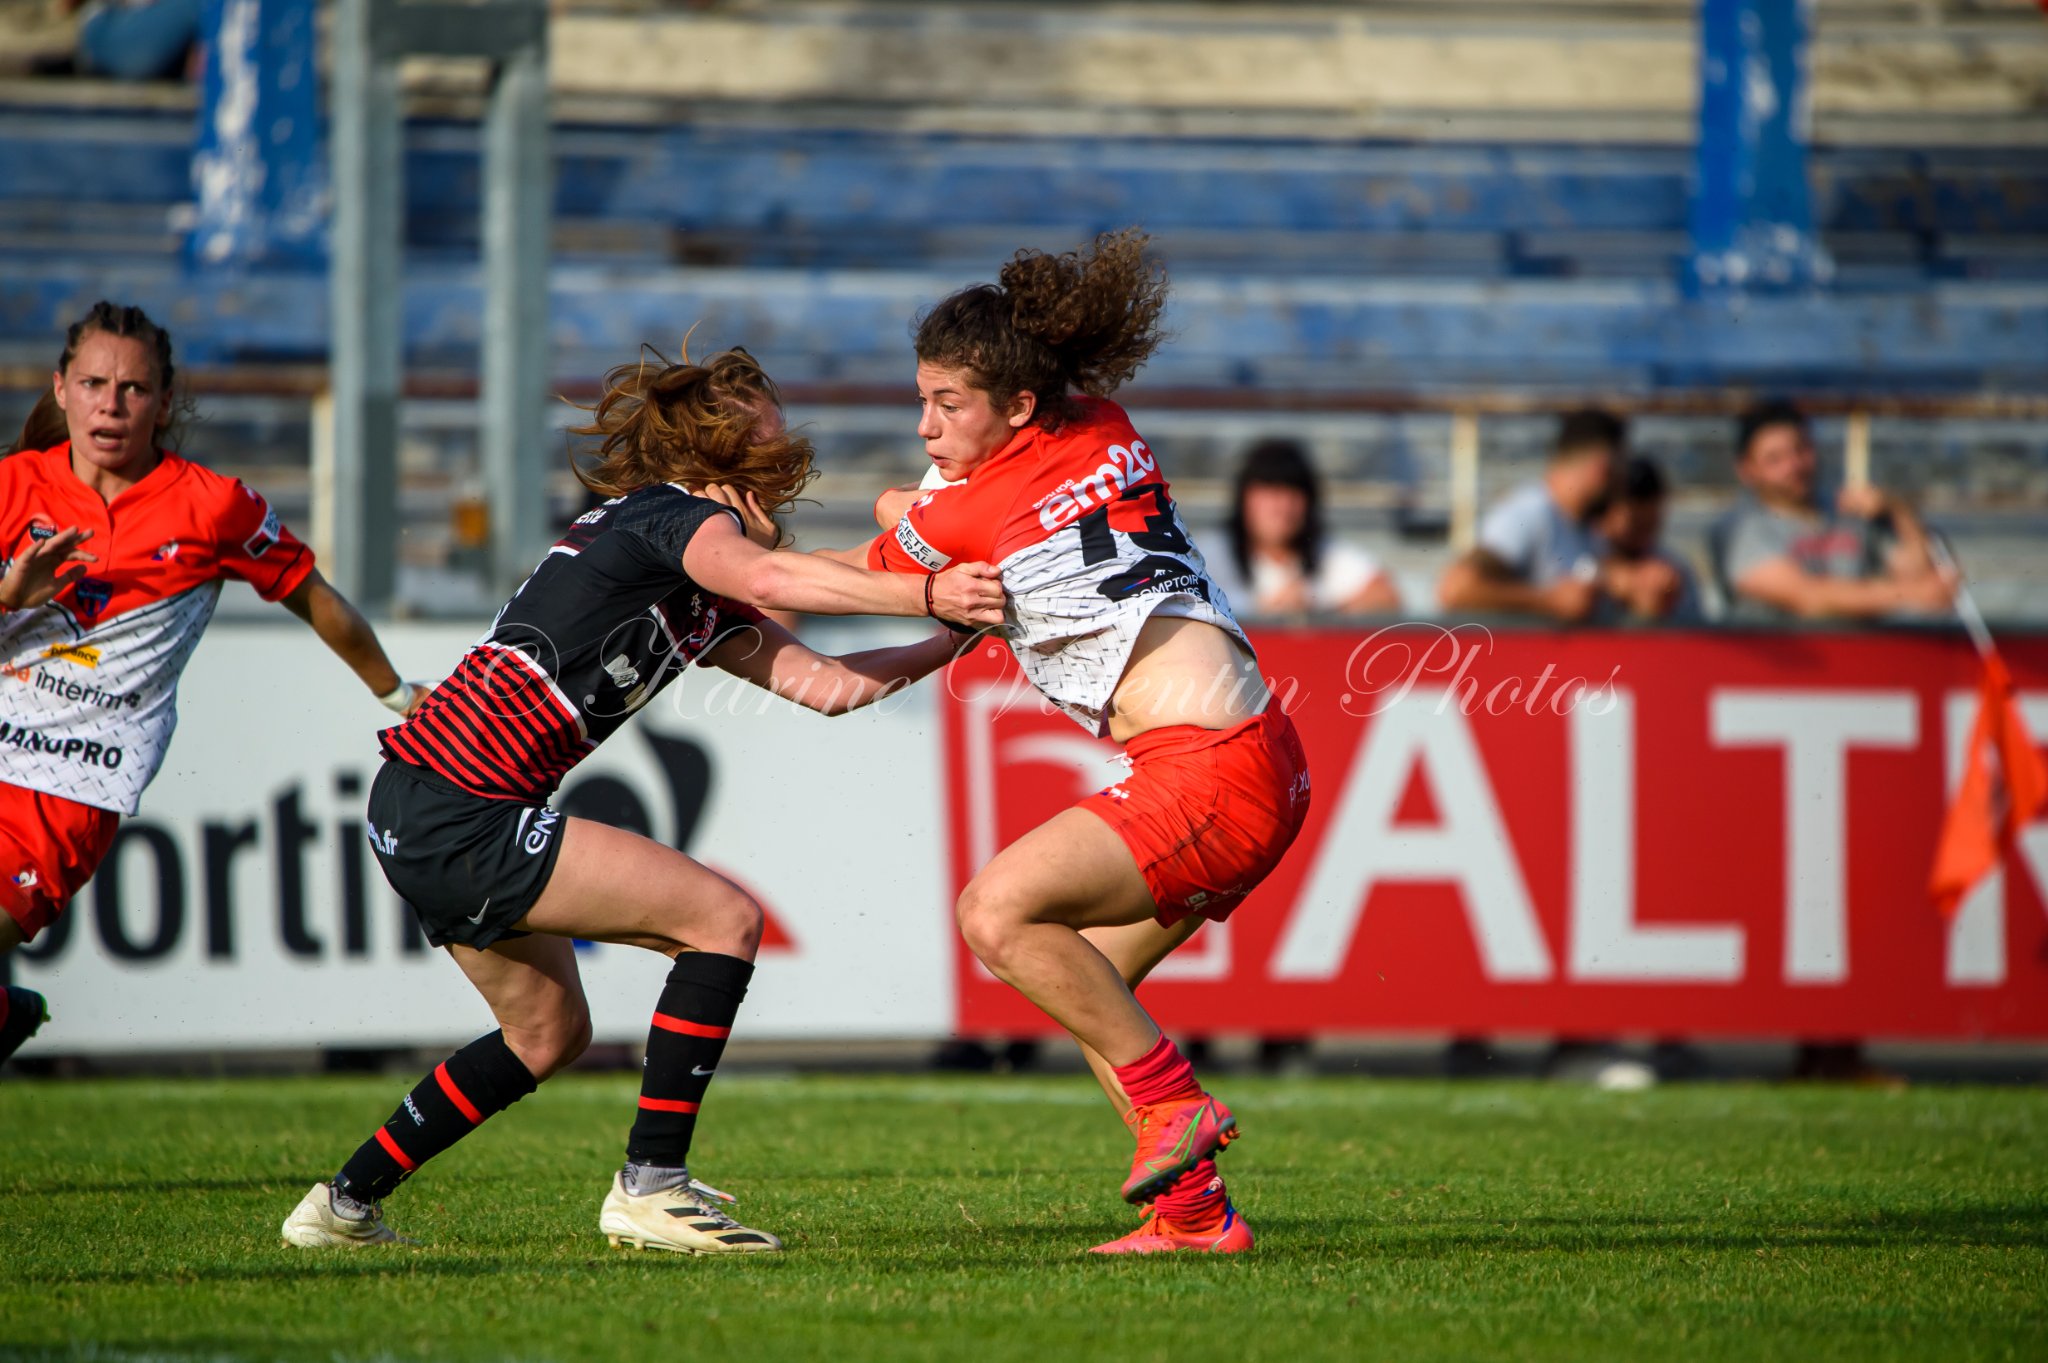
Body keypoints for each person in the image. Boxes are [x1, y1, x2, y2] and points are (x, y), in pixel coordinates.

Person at [280, 344, 1005, 1255]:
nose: (787, 480)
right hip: (461, 805)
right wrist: (933, 587)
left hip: (421, 802)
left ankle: (341, 1205)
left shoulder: (696, 583)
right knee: (724, 919)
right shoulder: (672, 516)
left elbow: (829, 684)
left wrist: (953, 632)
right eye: (774, 458)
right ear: (725, 461)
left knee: (544, 1033)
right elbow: (783, 578)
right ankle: (650, 1185)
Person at [840, 229, 1312, 1255]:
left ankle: (1176, 1107)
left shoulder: (970, 507)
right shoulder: (1099, 420)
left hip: (1207, 771)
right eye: (919, 399)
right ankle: (1192, 1217)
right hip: (1266, 753)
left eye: (946, 404)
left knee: (996, 913)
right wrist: (916, 504)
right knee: (1092, 979)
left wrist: (704, 556)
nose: (923, 424)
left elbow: (862, 566)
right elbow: (960, 514)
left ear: (1014, 406)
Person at [0, 301, 425, 1069]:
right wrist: (9, 596)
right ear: (61, 389)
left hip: (72, 779)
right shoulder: (11, 486)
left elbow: (316, 597)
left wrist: (395, 693)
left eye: (134, 388)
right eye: (94, 382)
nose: (112, 403)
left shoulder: (212, 506)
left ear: (164, 403)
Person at [1711, 399, 1954, 622]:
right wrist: (1907, 595)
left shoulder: (1850, 513)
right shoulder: (1741, 530)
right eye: (1775, 459)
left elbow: (1919, 574)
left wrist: (1897, 510)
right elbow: (1808, 598)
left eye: (1801, 449)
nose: (1794, 465)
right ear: (1746, 470)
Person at [1436, 409, 1671, 621]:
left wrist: (1636, 588)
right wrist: (1549, 601)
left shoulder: (1582, 526)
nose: (1622, 486)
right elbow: (1456, 589)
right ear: (1602, 469)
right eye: (1621, 471)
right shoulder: (1528, 513)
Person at [1206, 437, 1400, 617]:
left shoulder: (1325, 551)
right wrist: (1262, 610)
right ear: (1244, 498)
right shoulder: (1209, 554)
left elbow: (1385, 596)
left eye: (1292, 494)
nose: (1282, 507)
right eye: (1270, 492)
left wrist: (1318, 611)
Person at [1593, 455, 1704, 624]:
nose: (1640, 532)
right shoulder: (1585, 556)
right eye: (1633, 520)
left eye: (1649, 522)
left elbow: (1692, 631)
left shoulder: (1674, 568)